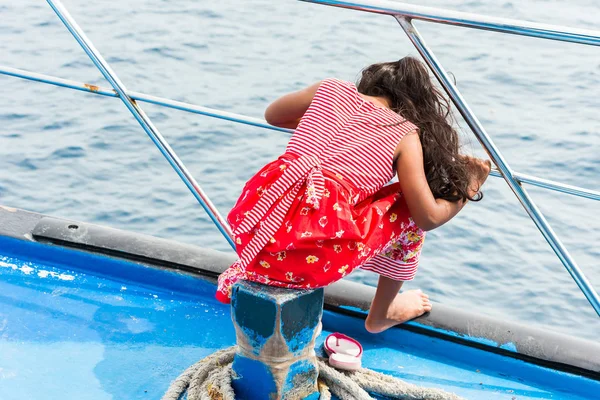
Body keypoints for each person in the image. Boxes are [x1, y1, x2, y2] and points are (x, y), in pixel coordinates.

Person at [216, 56, 491, 334]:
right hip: (302, 263)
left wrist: (324, 125)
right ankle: (382, 313)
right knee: (407, 208)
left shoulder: (330, 88)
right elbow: (429, 217)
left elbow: (273, 115)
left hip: (255, 239)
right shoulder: (404, 133)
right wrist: (470, 186)